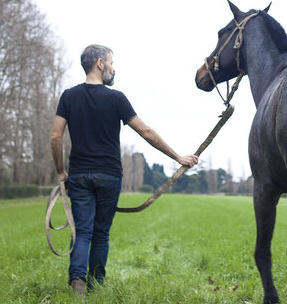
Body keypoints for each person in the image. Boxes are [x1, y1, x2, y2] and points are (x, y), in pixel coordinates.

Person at [50, 44, 198, 295]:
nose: (113, 68)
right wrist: (177, 156)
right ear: (99, 63)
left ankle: (78, 281)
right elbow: (146, 132)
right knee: (101, 233)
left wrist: (62, 172)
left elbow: (55, 137)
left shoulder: (68, 96)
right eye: (111, 62)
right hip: (109, 175)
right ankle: (96, 283)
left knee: (82, 230)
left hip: (80, 175)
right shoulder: (116, 98)